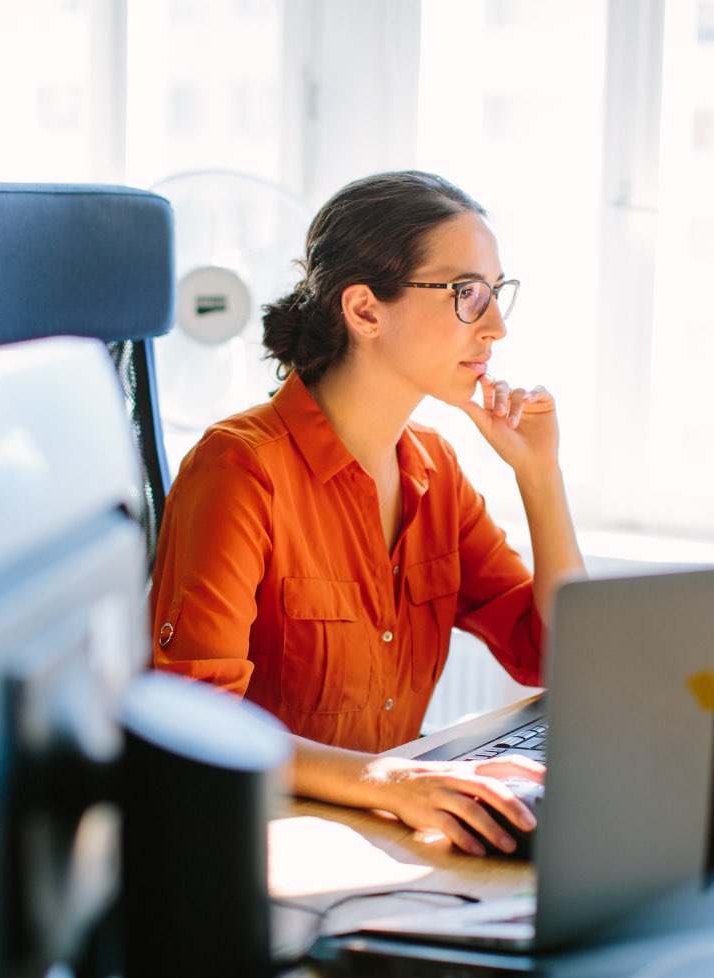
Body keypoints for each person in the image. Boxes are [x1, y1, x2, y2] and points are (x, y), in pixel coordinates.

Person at [149, 170, 585, 857]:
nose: (496, 327)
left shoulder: (434, 470)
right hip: (254, 845)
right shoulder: (240, 470)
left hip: (377, 832)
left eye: (497, 294)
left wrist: (539, 475)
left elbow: (556, 656)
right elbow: (196, 724)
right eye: (467, 294)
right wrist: (386, 778)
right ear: (365, 311)